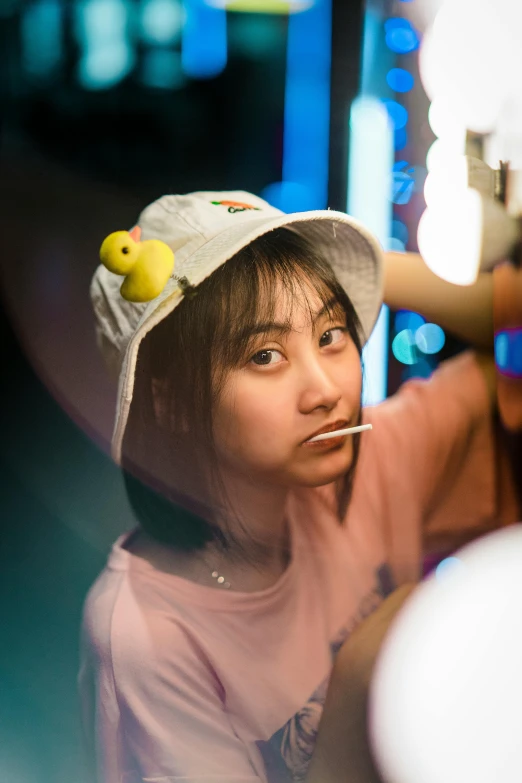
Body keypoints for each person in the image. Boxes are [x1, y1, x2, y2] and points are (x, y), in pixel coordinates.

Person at [79, 190, 519, 783]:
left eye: (331, 334)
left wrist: (325, 263)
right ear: (167, 401)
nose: (325, 390)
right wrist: (360, 680)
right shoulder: (146, 637)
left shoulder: (373, 460)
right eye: (264, 355)